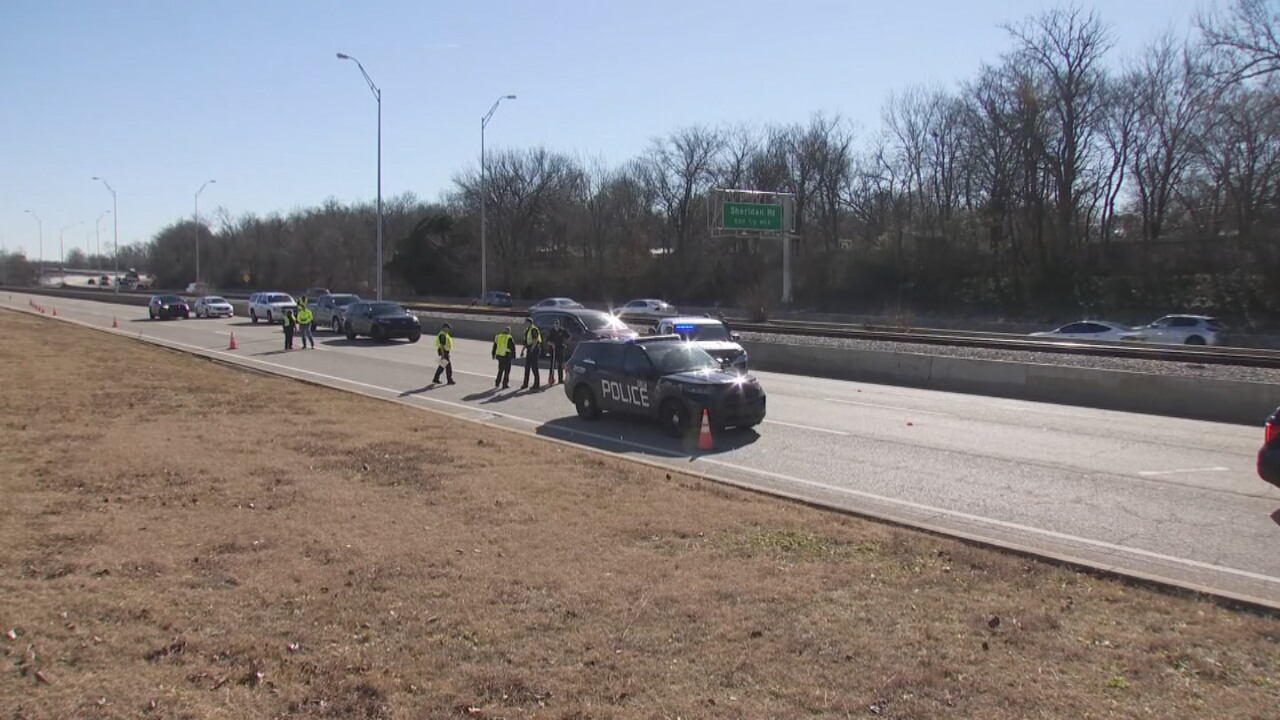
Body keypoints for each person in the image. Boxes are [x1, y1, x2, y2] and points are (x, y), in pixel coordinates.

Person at [520, 318, 543, 390]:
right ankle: (525, 384)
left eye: (526, 322)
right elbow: (525, 342)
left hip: (534, 349)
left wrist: (532, 349)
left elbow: (535, 340)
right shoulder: (527, 330)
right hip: (529, 349)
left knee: (534, 367)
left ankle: (536, 384)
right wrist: (522, 351)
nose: (525, 324)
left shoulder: (533, 329)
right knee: (527, 367)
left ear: (530, 323)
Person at [547, 319, 570, 385]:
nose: (556, 325)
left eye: (557, 324)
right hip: (553, 350)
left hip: (560, 350)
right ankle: (551, 378)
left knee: (560, 365)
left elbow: (568, 337)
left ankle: (560, 379)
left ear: (559, 324)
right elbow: (547, 340)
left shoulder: (562, 331)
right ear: (553, 325)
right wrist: (551, 344)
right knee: (552, 365)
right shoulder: (551, 331)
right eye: (555, 324)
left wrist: (565, 343)